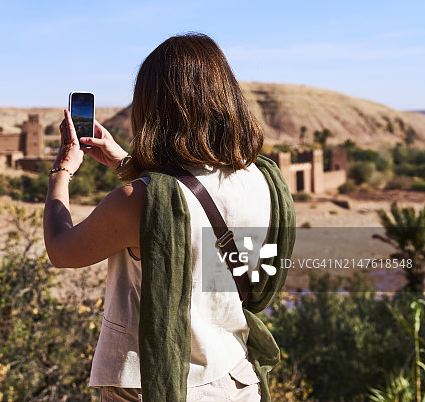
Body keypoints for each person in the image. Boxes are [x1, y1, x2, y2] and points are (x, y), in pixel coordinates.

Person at [43, 33, 294, 402]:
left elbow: (62, 250)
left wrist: (61, 172)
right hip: (236, 378)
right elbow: (193, 199)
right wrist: (124, 162)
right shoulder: (263, 179)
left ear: (152, 108)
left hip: (154, 387)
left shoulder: (138, 201)